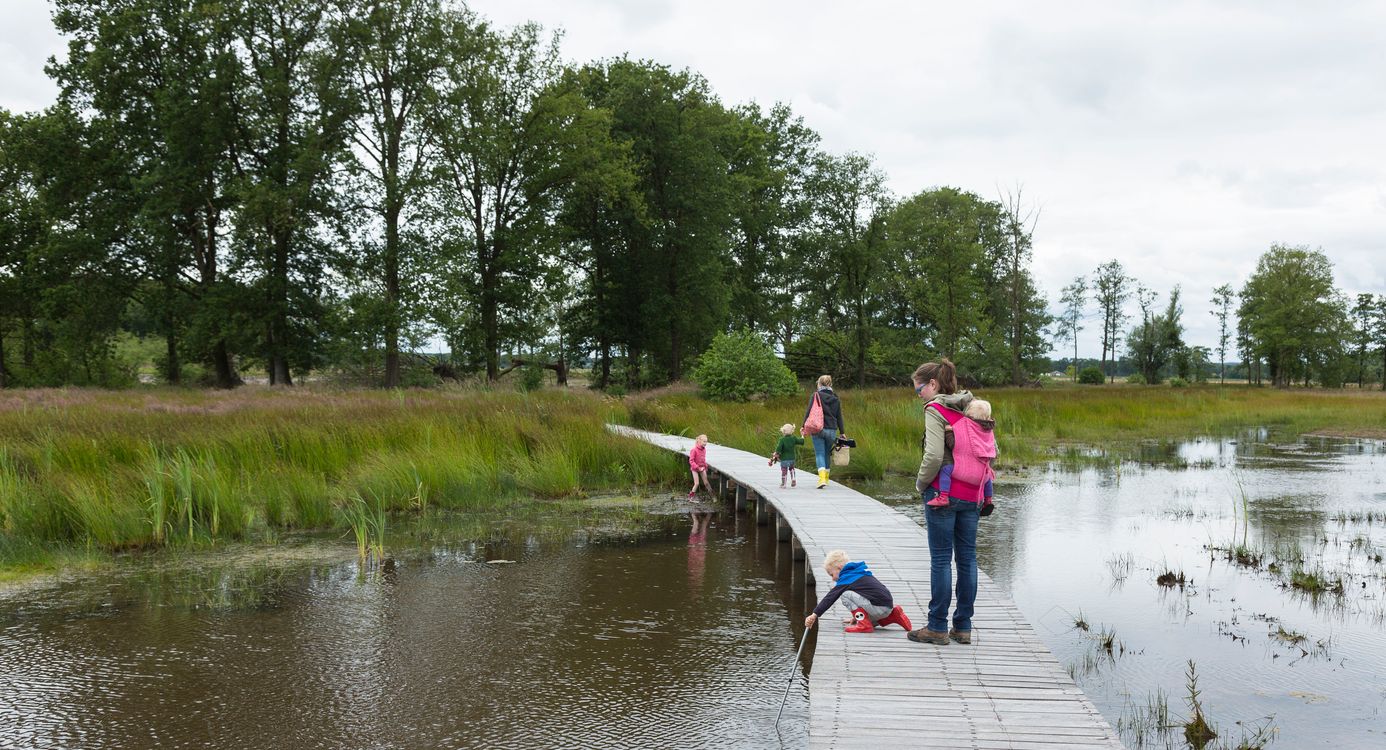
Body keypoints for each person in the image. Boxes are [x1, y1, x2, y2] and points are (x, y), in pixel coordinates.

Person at [905, 358, 980, 646]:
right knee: (967, 559)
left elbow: (934, 456)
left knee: (940, 559)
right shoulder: (972, 407)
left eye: (918, 389)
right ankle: (962, 627)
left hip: (942, 493)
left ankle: (937, 626)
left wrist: (921, 483)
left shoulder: (936, 409)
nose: (919, 395)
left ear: (933, 385)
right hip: (972, 492)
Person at [804, 550, 913, 633]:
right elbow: (868, 594)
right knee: (848, 593)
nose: (832, 579)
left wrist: (814, 615)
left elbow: (830, 597)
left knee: (844, 594)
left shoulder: (847, 578)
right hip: (888, 607)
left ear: (840, 568)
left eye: (832, 574)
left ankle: (864, 624)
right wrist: (855, 617)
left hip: (878, 608)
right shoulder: (859, 573)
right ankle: (893, 615)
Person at [926, 398, 996, 512]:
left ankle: (943, 496)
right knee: (987, 477)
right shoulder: (989, 430)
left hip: (964, 469)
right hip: (982, 469)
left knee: (946, 469)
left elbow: (955, 444)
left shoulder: (968, 428)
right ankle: (988, 500)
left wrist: (948, 432)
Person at [802, 375, 845, 489]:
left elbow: (809, 411)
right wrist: (842, 432)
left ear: (819, 384)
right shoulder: (836, 398)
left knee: (820, 453)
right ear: (830, 384)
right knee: (827, 454)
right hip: (831, 429)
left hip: (817, 428)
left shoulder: (816, 395)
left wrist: (803, 426)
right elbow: (839, 416)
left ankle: (821, 479)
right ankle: (826, 478)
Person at [770, 423, 805, 488]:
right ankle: (793, 478)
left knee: (784, 470)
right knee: (791, 468)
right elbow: (801, 442)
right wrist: (802, 435)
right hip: (792, 459)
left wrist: (775, 454)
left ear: (783, 431)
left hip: (784, 459)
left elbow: (778, 449)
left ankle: (784, 483)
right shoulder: (793, 438)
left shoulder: (782, 440)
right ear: (792, 431)